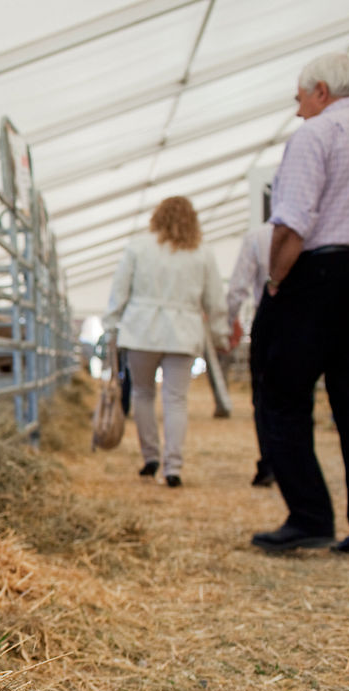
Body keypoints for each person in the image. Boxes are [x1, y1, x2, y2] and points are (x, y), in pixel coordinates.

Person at [251, 53, 349, 555]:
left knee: (281, 392)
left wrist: (275, 281)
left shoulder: (316, 135)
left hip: (319, 271)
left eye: (301, 98)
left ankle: (309, 515)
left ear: (322, 91)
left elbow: (292, 222)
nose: (299, 110)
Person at [103, 196, 230, 488]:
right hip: (183, 333)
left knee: (143, 393)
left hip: (142, 330)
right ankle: (173, 467)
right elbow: (214, 298)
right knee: (176, 400)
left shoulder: (139, 246)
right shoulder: (201, 253)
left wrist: (111, 324)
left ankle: (151, 457)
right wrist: (220, 333)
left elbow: (119, 288)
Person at [226, 222, 276, 487]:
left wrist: (228, 321)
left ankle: (269, 462)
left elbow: (238, 287)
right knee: (298, 396)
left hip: (269, 318)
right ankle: (292, 462)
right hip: (307, 319)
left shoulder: (258, 235)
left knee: (263, 396)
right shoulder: (320, 227)